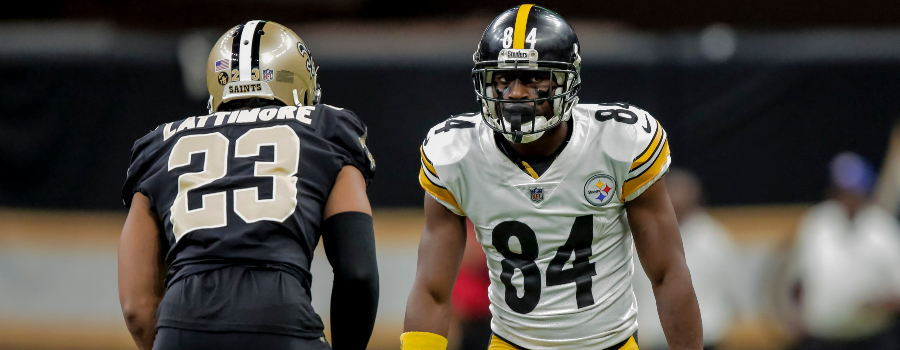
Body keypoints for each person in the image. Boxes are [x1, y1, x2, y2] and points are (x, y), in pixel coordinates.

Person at [401, 5, 702, 350]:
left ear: (566, 81)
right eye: (503, 79)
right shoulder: (455, 152)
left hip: (609, 343)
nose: (515, 93)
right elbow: (432, 291)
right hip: (513, 343)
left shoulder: (619, 141)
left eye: (533, 78)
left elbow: (668, 273)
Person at [117, 21, 379, 350]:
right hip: (281, 321)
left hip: (182, 326)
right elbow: (358, 274)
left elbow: (136, 309)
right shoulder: (327, 129)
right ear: (300, 84)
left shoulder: (159, 145)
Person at [791, 152, 900, 350]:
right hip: (825, 337)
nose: (847, 198)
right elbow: (800, 278)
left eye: (853, 192)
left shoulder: (882, 229)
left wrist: (876, 303)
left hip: (868, 337)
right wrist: (797, 315)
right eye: (841, 191)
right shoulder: (817, 223)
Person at [632, 169, 739, 350]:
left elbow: (733, 287)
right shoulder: (639, 235)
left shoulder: (715, 239)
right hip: (651, 336)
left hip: (707, 335)